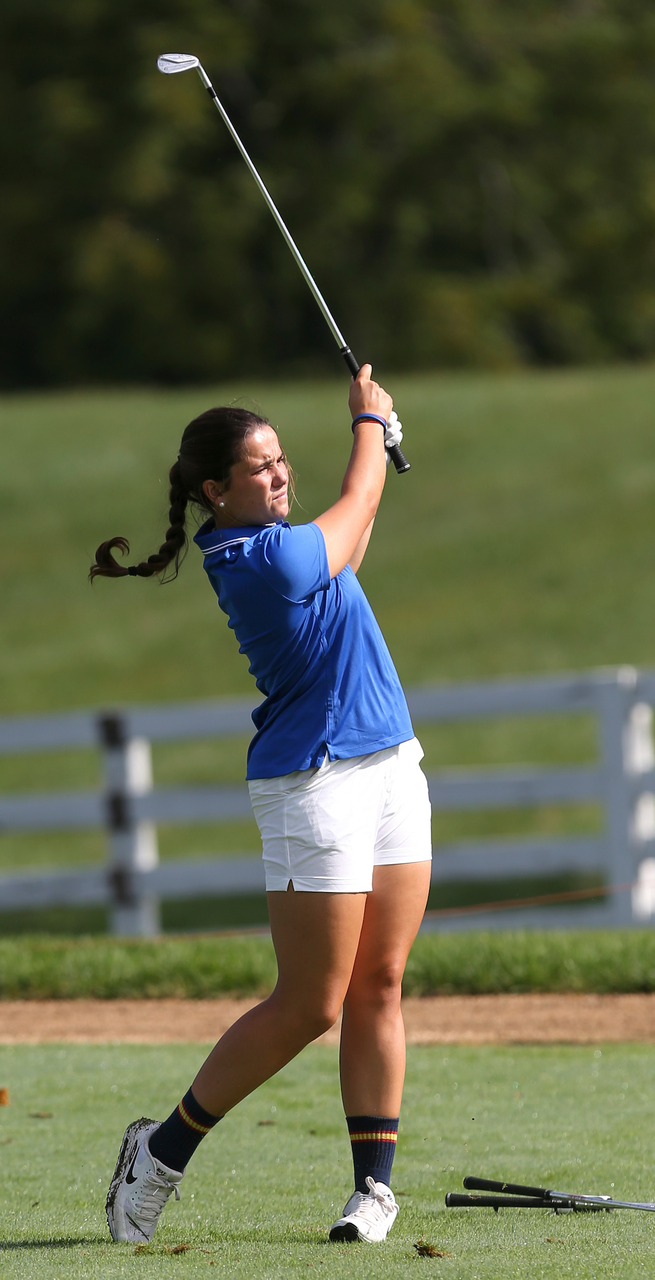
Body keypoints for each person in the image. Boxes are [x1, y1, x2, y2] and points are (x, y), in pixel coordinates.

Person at [89, 367, 431, 1246]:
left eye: (281, 460)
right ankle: (159, 1153)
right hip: (313, 782)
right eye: (259, 467)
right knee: (311, 1003)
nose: (279, 475)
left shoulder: (291, 543)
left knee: (380, 982)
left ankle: (372, 1191)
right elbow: (355, 505)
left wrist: (375, 450)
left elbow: (351, 537)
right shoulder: (255, 560)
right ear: (216, 491)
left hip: (391, 762)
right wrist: (369, 426)